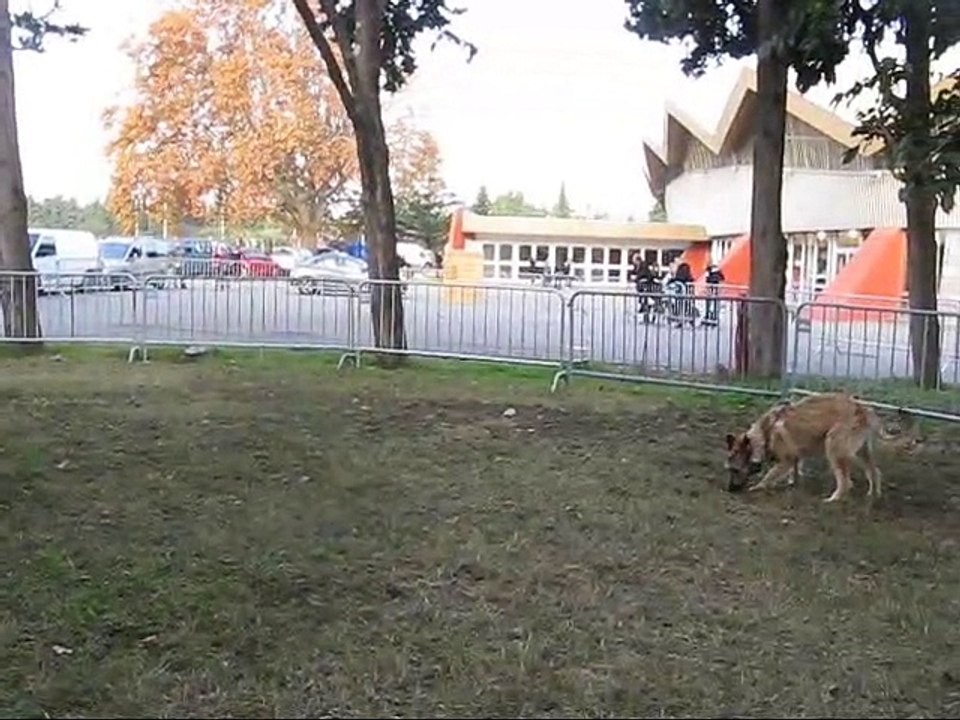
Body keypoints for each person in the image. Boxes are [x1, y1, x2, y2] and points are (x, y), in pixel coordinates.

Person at [667, 261, 696, 326]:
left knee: (678, 305)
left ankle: (679, 318)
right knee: (686, 306)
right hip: (685, 295)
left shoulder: (676, 278)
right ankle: (686, 318)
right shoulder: (687, 279)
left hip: (677, 295)